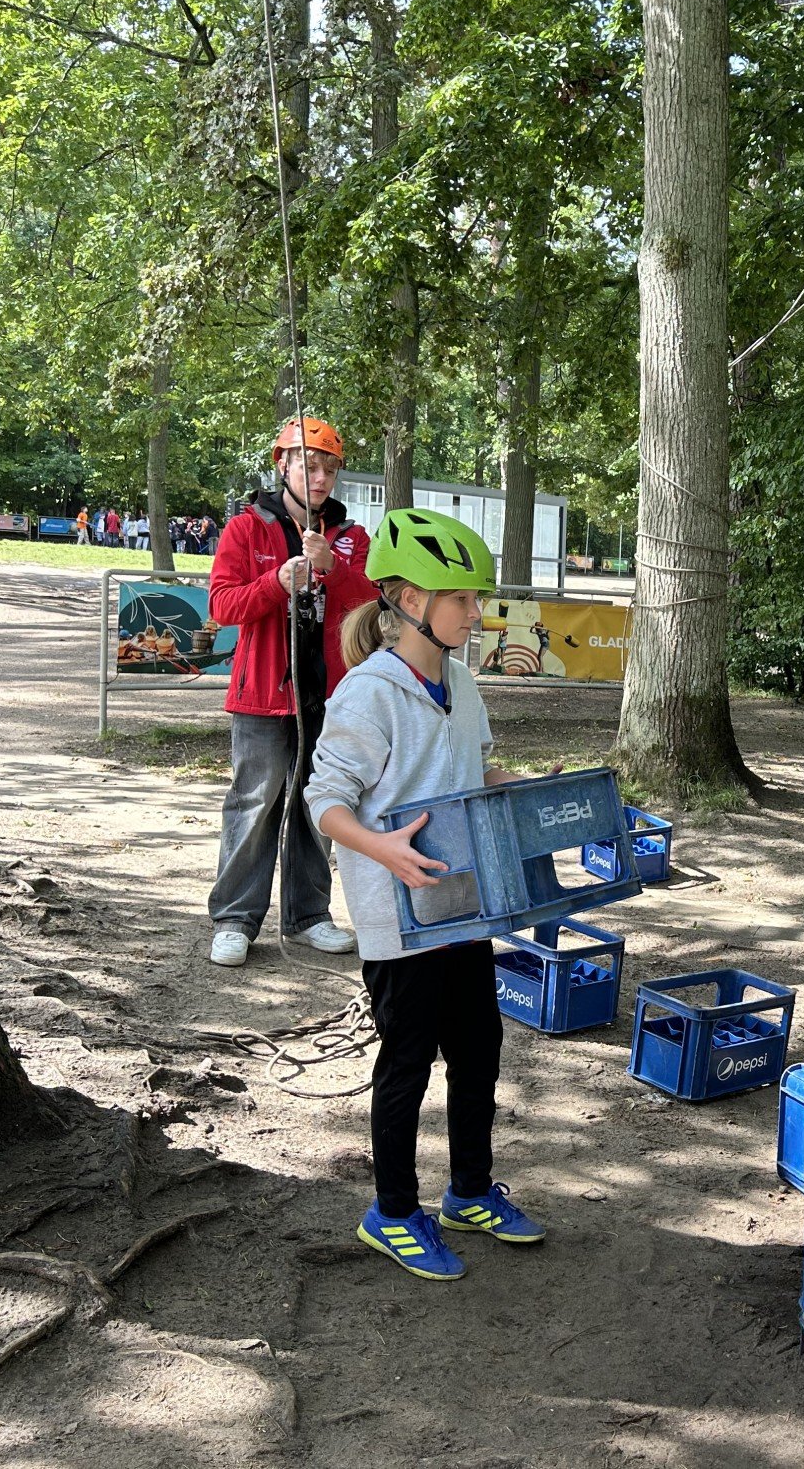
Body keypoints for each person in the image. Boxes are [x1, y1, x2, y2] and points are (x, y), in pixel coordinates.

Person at [304, 507, 549, 1280]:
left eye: (477, 599)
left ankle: (469, 1191)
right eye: (463, 599)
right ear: (411, 601)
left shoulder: (463, 685)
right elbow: (324, 800)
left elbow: (477, 770)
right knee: (407, 1061)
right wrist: (381, 849)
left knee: (479, 1051)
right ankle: (392, 1212)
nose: (477, 614)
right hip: (398, 918)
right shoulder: (367, 694)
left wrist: (526, 789)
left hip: (464, 907)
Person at [205, 417, 374, 967]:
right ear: (283, 465)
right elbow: (222, 606)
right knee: (253, 804)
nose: (320, 478)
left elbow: (369, 607)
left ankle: (308, 916)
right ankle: (235, 919)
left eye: (329, 469)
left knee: (318, 806)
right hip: (263, 694)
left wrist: (333, 570)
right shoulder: (246, 529)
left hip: (329, 697)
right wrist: (276, 582)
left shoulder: (352, 538)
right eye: (309, 466)